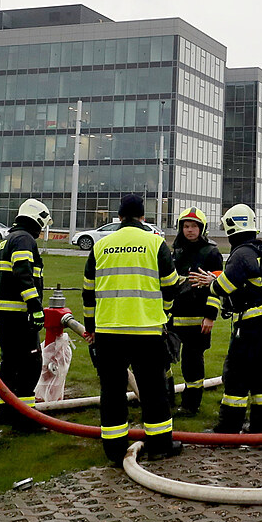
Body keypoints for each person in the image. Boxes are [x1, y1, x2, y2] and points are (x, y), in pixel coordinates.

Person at [80, 193, 185, 465]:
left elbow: (88, 292)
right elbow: (171, 286)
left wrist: (91, 327)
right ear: (142, 217)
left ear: (118, 217)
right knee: (153, 390)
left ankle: (115, 450)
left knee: (112, 392)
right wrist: (165, 312)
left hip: (108, 331)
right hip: (146, 330)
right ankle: (160, 445)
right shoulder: (155, 243)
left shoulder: (101, 246)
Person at [210, 203, 262, 435]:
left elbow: (223, 287)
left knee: (236, 373)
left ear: (232, 227)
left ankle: (229, 427)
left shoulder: (241, 254)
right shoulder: (261, 250)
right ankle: (260, 424)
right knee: (260, 374)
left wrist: (209, 284)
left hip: (250, 324)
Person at [0, 198, 51, 430]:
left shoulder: (9, 240)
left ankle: (5, 411)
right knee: (30, 364)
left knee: (9, 364)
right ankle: (26, 418)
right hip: (20, 315)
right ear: (37, 219)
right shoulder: (24, 239)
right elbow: (22, 272)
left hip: (6, 315)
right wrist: (35, 306)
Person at [168, 207, 221, 416]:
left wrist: (210, 316)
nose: (189, 230)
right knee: (164, 358)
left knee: (192, 363)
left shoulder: (211, 252)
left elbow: (216, 288)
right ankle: (166, 399)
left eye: (194, 226)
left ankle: (191, 405)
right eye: (186, 226)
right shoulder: (176, 251)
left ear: (202, 228)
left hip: (198, 319)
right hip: (174, 316)